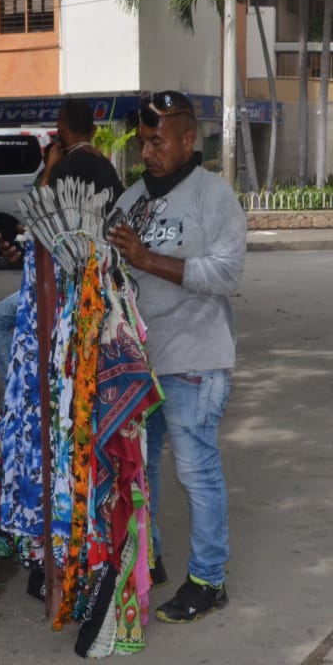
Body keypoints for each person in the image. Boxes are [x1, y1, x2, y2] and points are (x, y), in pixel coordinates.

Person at [106, 90, 246, 624]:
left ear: (189, 140)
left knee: (197, 472)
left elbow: (227, 275)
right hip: (141, 363)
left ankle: (209, 579)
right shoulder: (132, 199)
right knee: (141, 472)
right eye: (143, 142)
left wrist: (147, 258)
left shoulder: (213, 197)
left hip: (195, 359)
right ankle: (150, 559)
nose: (147, 152)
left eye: (157, 141)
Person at [0, 99, 123, 382]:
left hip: (59, 286)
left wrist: (50, 168)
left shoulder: (62, 168)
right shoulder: (108, 170)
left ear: (62, 130)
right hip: (101, 281)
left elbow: (36, 220)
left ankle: (20, 391)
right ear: (93, 130)